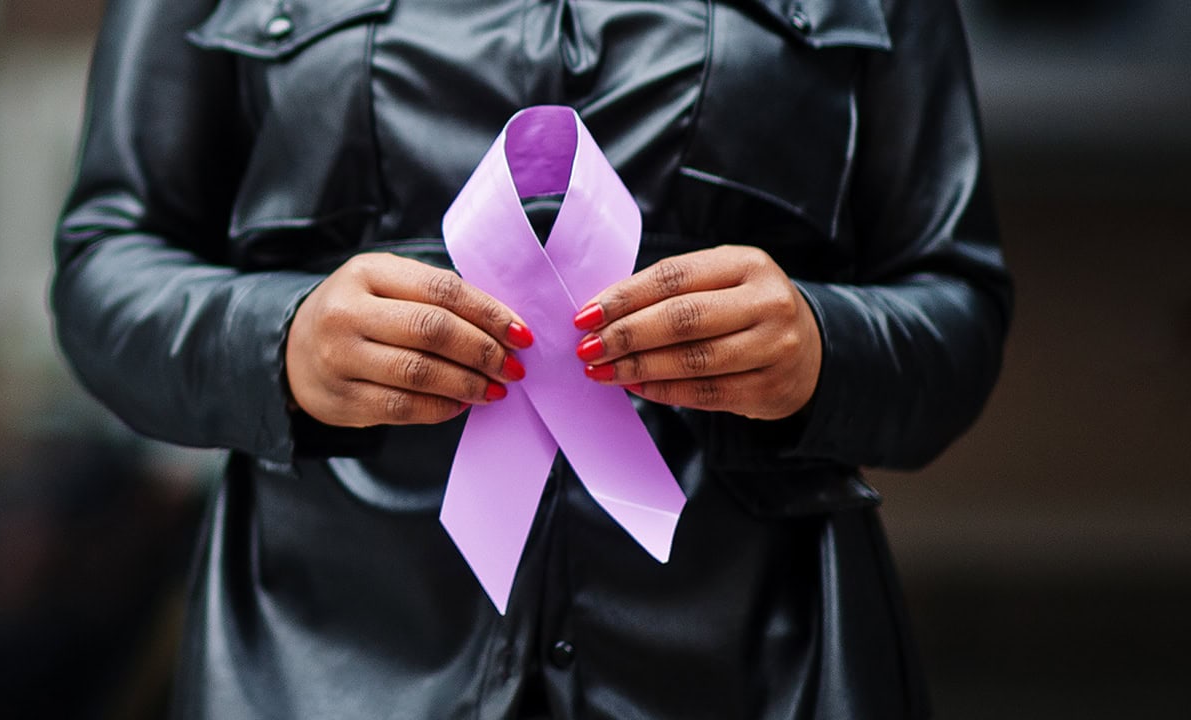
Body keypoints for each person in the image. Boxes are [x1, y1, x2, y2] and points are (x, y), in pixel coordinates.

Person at [52, 0, 1011, 717]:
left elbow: (958, 304)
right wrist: (280, 337)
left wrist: (821, 346)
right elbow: (105, 263)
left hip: (756, 660)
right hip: (326, 655)